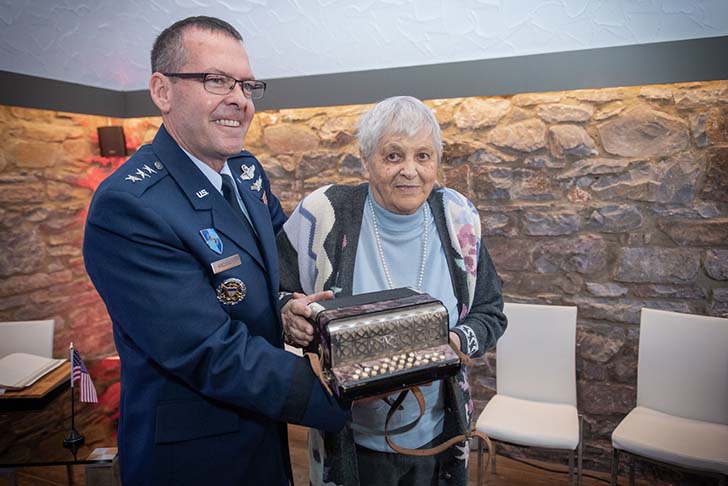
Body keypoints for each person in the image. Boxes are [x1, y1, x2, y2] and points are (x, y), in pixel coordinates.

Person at [83, 16, 349, 486]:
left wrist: (286, 305)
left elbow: (272, 271)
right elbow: (209, 350)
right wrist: (342, 394)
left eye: (247, 85)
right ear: (162, 91)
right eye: (216, 81)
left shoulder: (245, 174)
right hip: (193, 455)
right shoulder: (128, 206)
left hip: (261, 428)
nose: (239, 100)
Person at [277, 96, 507, 486]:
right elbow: (276, 292)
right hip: (346, 436)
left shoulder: (459, 219)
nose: (411, 171)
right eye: (393, 156)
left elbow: (491, 311)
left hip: (439, 434)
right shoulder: (323, 214)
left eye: (423, 155)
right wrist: (288, 315)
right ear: (366, 161)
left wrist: (456, 341)